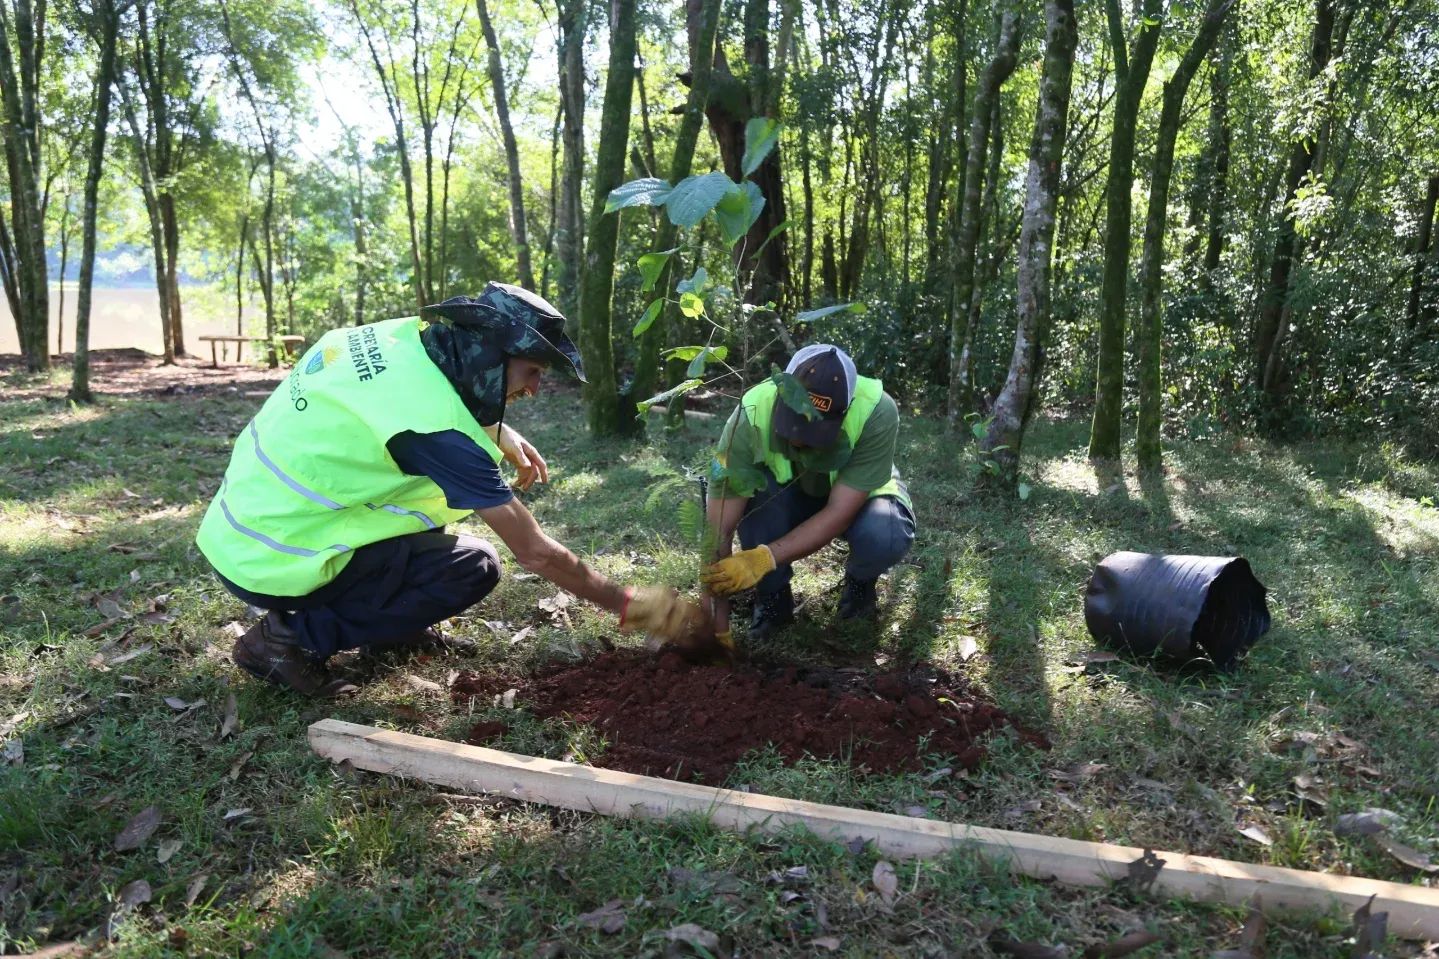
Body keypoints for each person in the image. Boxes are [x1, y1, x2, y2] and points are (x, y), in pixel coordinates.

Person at [195, 282, 706, 696]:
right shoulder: (438, 434)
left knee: (432, 533)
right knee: (473, 566)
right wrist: (634, 604)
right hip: (277, 560)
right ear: (489, 355)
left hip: (240, 532)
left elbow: (399, 399)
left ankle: (390, 631)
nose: (532, 389)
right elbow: (535, 553)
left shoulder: (392, 339)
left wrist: (498, 429)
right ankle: (286, 640)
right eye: (530, 372)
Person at [701, 344, 915, 645]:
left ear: (845, 411)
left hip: (857, 499)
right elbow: (718, 530)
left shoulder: (876, 410)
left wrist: (762, 559)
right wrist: (717, 628)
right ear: (779, 395)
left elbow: (840, 513)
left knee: (884, 535)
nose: (800, 441)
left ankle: (860, 582)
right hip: (784, 494)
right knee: (752, 504)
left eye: (812, 431)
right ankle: (773, 599)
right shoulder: (749, 413)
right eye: (792, 424)